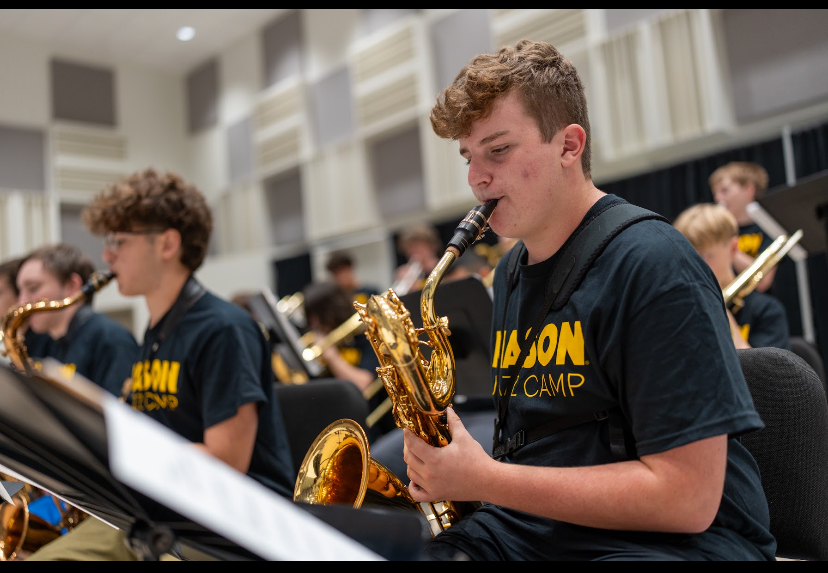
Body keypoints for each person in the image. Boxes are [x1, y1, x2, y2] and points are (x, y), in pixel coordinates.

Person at [398, 39, 775, 561]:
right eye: (469, 156)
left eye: (498, 150)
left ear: (569, 146)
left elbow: (687, 499)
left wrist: (484, 478)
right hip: (543, 529)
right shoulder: (509, 272)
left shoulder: (654, 263)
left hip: (675, 543)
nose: (476, 178)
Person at [26, 168, 295, 561]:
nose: (106, 255)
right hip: (163, 513)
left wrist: (120, 452)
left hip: (232, 524)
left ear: (167, 244)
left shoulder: (223, 329)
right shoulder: (156, 331)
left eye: (118, 241)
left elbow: (226, 462)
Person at [14, 243, 137, 397]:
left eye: (33, 288)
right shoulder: (44, 342)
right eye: (20, 291)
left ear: (71, 286)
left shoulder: (112, 340)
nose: (22, 302)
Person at [674, 203, 791, 350]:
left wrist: (722, 316)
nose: (695, 267)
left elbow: (766, 373)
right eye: (689, 258)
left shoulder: (766, 311)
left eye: (704, 256)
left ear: (733, 248)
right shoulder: (684, 313)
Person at [301, 280, 395, 442]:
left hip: (371, 429)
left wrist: (332, 357)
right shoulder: (314, 341)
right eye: (311, 317)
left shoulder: (365, 336)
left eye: (319, 315)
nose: (315, 323)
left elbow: (363, 383)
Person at [708, 161, 776, 293]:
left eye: (724, 190)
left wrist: (726, 245)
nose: (718, 198)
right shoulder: (717, 231)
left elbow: (763, 281)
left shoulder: (768, 227)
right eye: (715, 193)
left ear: (748, 189)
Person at [394, 222, 443, 294]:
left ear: (431, 245)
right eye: (409, 248)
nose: (412, 251)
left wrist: (418, 285)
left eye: (417, 246)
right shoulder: (406, 273)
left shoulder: (449, 267)